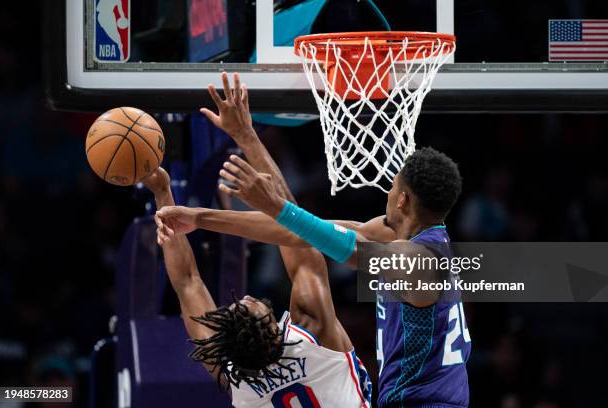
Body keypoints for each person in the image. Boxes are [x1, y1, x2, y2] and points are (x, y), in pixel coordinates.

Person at [156, 73, 471, 408]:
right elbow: (303, 237)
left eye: (391, 186)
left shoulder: (415, 261)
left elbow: (323, 241)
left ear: (403, 200)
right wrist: (224, 209)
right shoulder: (312, 327)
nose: (387, 192)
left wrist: (202, 209)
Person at [145, 75, 371, 407]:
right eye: (247, 303)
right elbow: (299, 232)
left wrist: (163, 193)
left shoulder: (234, 374)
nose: (246, 295)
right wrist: (245, 135)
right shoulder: (312, 331)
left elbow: (188, 283)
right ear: (273, 328)